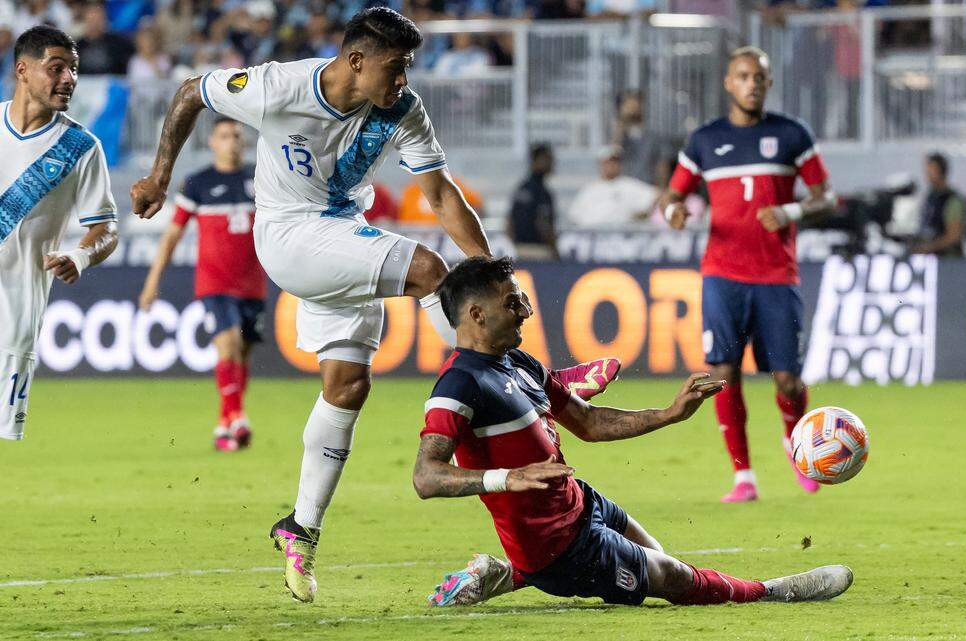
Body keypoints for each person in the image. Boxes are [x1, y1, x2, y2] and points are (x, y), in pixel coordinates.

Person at [129, 6, 617, 604]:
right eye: (396, 67)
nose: (404, 80)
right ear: (356, 61)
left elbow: (438, 192)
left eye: (408, 67)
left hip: (341, 236)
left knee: (347, 386)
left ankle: (300, 527)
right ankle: (531, 382)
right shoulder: (280, 87)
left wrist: (488, 271)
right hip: (289, 234)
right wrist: (158, 176)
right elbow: (188, 94)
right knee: (428, 270)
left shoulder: (403, 109)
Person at [415, 256, 854, 608]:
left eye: (523, 300)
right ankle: (773, 591)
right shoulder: (458, 385)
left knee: (659, 556)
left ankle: (506, 574)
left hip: (579, 502)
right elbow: (426, 476)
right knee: (675, 579)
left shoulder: (519, 362)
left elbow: (588, 422)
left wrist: (669, 413)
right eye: (513, 304)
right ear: (476, 314)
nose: (526, 311)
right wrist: (507, 478)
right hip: (557, 548)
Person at [660, 47, 838, 503]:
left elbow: (826, 197)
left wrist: (790, 208)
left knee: (788, 380)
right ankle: (743, 477)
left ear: (769, 82)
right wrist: (675, 210)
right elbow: (671, 197)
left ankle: (794, 442)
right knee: (722, 373)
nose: (751, 83)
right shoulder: (704, 140)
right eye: (743, 76)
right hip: (722, 273)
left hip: (777, 275)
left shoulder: (792, 135)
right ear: (728, 82)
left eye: (759, 76)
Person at [1, 26, 118, 442]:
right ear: (22, 70)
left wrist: (81, 256)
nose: (69, 78)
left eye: (74, 69)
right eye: (57, 68)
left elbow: (105, 228)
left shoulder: (80, 148)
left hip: (12, 321)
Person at [138, 117, 267, 451]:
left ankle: (225, 425)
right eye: (224, 136)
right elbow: (171, 237)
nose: (232, 142)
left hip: (253, 284)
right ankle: (238, 417)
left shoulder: (261, 178)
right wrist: (152, 283)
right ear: (212, 142)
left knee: (243, 354)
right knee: (228, 346)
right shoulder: (198, 183)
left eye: (237, 136)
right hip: (215, 283)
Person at [566, 146, 659, 228]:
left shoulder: (629, 185)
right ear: (600, 164)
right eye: (607, 162)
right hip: (594, 237)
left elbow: (657, 197)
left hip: (623, 238)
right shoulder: (589, 189)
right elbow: (574, 216)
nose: (611, 166)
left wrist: (641, 216)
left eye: (614, 162)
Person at [507, 142, 559, 259]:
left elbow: (509, 222)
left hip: (518, 249)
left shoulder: (522, 188)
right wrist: (555, 251)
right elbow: (543, 224)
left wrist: (513, 246)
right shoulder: (542, 192)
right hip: (538, 251)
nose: (552, 163)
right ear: (538, 160)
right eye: (548, 159)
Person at [909, 152, 966, 257]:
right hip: (931, 258)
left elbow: (954, 235)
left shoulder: (951, 200)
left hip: (948, 260)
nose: (927, 174)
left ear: (941, 171)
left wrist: (929, 248)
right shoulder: (930, 197)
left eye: (931, 170)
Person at [612, 90, 668, 185]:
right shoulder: (618, 134)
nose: (633, 109)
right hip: (621, 188)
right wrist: (623, 120)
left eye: (636, 105)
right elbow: (613, 152)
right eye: (628, 105)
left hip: (647, 188)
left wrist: (661, 188)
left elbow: (661, 165)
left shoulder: (653, 137)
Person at [74, 3, 135, 75]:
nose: (94, 24)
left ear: (104, 20)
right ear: (85, 20)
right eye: (91, 20)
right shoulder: (77, 47)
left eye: (98, 19)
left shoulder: (119, 44)